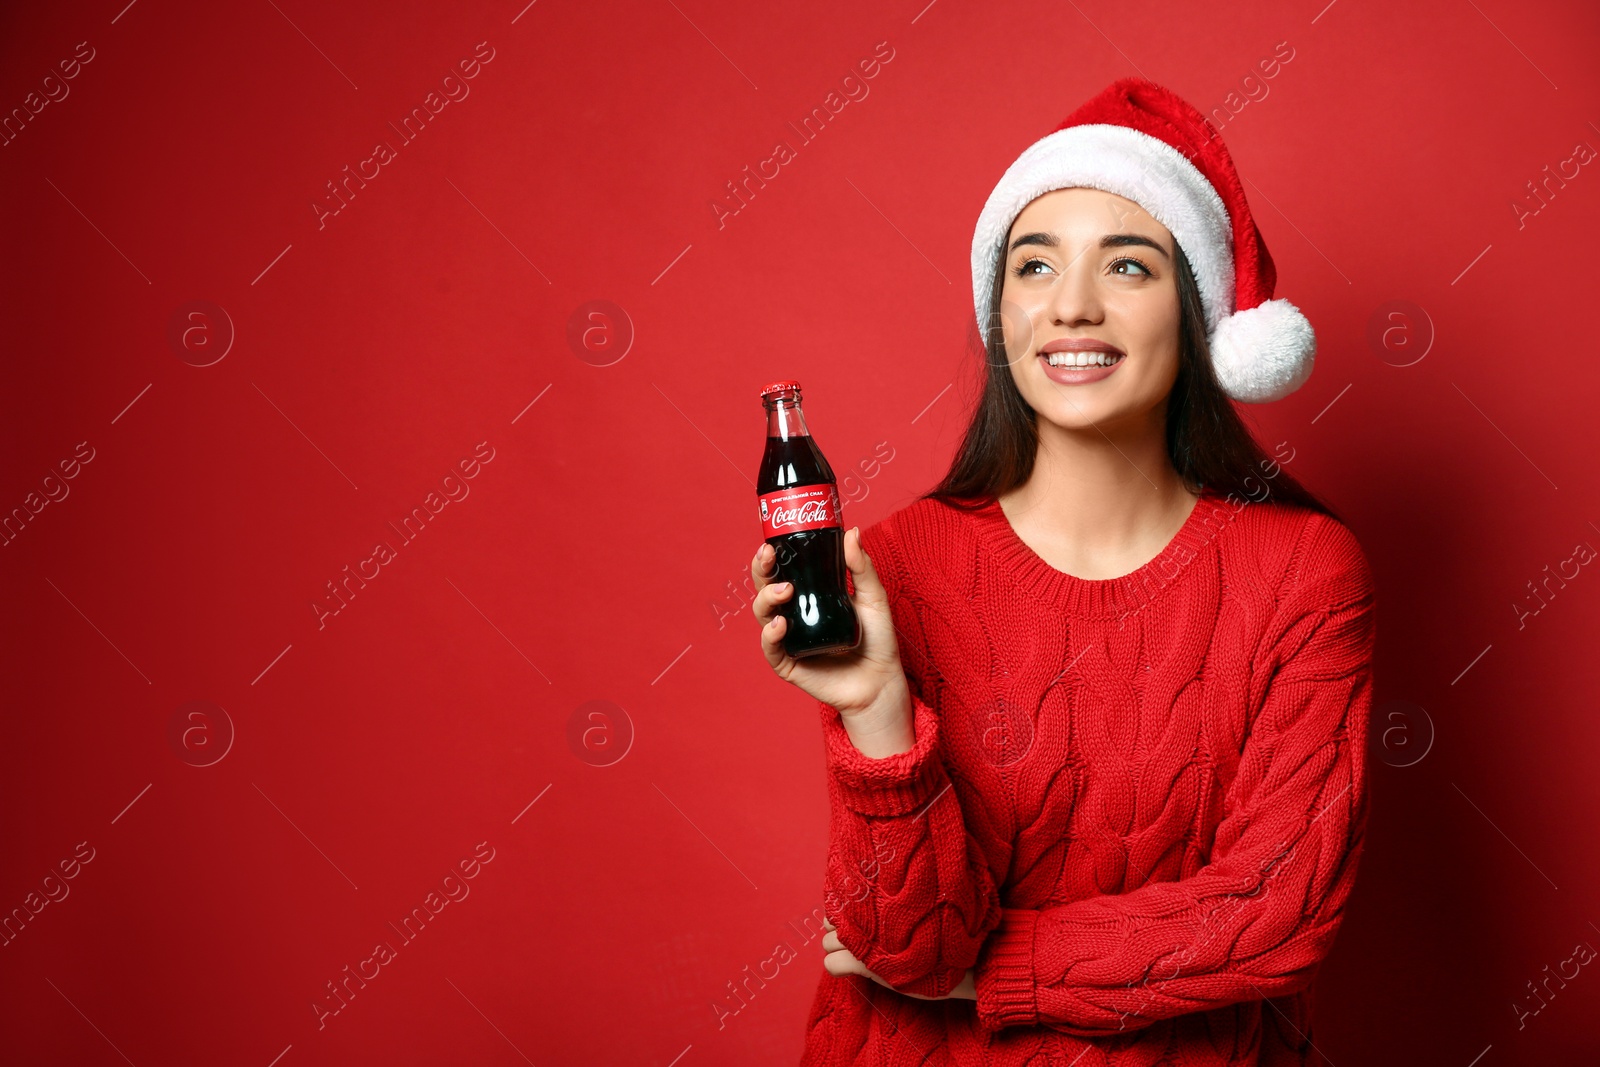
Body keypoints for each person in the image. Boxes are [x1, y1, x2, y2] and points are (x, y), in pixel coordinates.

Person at [750, 77, 1377, 1065]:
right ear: (1000, 311)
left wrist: (993, 975)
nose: (1071, 306)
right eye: (1032, 265)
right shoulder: (900, 562)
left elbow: (1273, 911)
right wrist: (874, 711)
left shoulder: (1302, 570)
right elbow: (904, 948)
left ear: (1202, 310)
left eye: (1127, 265)